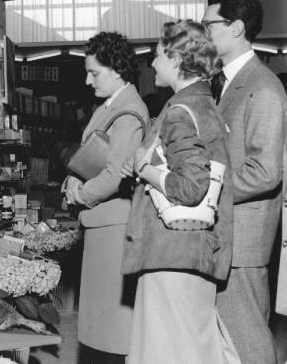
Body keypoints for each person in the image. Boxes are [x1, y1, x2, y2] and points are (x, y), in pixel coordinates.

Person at [121, 20, 237, 363]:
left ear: (176, 58)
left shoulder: (179, 112)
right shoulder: (205, 105)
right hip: (194, 252)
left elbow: (190, 186)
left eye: (157, 55)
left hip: (172, 253)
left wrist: (145, 169)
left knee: (166, 352)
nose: (152, 63)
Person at [204, 0, 287, 364]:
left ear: (235, 27)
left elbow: (265, 172)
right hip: (228, 235)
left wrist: (204, 189)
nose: (204, 34)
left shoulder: (263, 88)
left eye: (209, 25)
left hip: (245, 241)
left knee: (248, 338)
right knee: (229, 339)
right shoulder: (228, 84)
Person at [62, 31, 149, 362]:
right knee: (99, 326)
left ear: (117, 70)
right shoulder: (109, 106)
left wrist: (80, 193)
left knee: (112, 329)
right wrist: (71, 179)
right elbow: (90, 155)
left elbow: (115, 175)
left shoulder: (128, 113)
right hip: (101, 223)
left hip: (114, 227)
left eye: (94, 72)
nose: (87, 80)